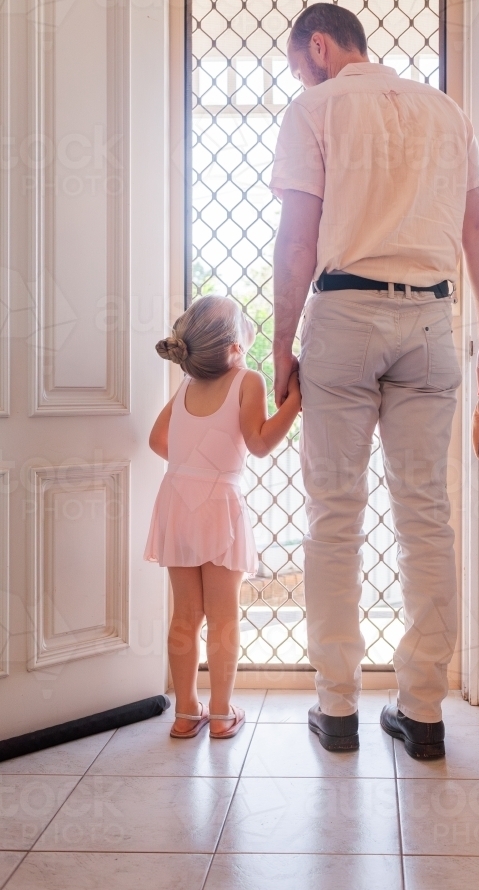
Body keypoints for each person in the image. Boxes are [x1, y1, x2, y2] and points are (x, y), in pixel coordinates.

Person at [271, 3, 479, 759]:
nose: (298, 74)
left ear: (316, 46)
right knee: (425, 518)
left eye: (295, 61)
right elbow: (478, 232)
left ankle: (337, 709)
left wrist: (281, 345)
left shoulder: (313, 106)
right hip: (430, 322)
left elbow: (297, 238)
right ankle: (422, 714)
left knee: (333, 517)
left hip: (344, 316)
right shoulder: (446, 112)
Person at [145, 295, 301, 739]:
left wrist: (193, 461)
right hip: (218, 506)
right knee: (224, 615)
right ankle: (220, 713)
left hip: (176, 501)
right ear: (234, 348)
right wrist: (296, 402)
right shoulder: (246, 380)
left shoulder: (187, 386)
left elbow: (158, 441)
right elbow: (259, 442)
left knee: (184, 616)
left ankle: (185, 712)